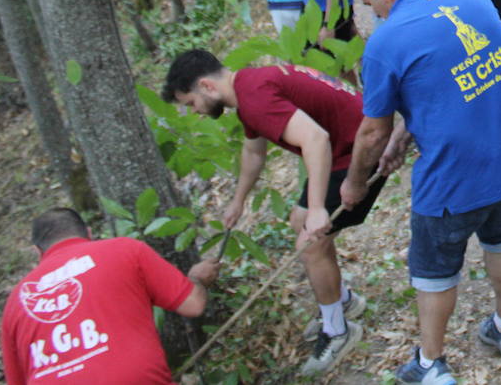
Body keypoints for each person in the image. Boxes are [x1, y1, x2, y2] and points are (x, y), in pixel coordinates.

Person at [341, 0, 501, 384]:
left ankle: (430, 363)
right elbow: (453, 72)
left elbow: (370, 133)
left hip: (457, 171)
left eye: (370, 5)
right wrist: (408, 131)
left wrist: (354, 183)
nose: (374, 14)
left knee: (433, 267)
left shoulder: (385, 42)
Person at [163, 51, 387, 375]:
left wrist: (316, 211)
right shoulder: (249, 87)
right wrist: (238, 201)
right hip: (347, 142)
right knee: (300, 223)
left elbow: (316, 139)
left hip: (359, 149)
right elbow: (254, 152)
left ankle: (338, 331)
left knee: (310, 244)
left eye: (191, 103)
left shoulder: (254, 97)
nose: (194, 112)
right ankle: (343, 301)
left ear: (206, 86)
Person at [0, 208, 217, 385]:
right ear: (89, 233)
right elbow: (193, 304)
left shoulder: (16, 300)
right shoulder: (124, 250)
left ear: (37, 252)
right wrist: (196, 278)